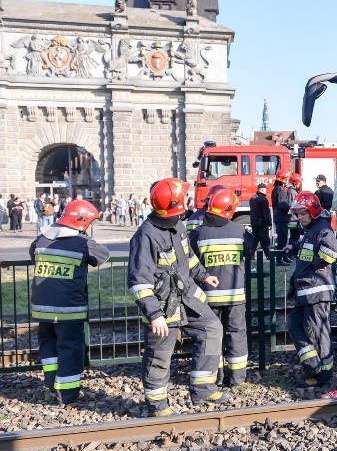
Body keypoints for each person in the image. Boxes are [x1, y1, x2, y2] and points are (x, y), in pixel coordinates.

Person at [128, 177, 230, 416]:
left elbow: (189, 258)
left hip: (188, 298)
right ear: (175, 204)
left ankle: (203, 388)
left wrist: (204, 276)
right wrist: (155, 315)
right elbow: (139, 281)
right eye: (182, 198)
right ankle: (157, 405)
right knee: (160, 353)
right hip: (164, 306)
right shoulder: (146, 236)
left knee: (212, 328)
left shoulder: (178, 225)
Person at [30, 200, 110, 404]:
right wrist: (84, 237)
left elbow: (32, 254)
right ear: (81, 221)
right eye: (89, 223)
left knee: (48, 343)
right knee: (71, 348)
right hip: (68, 309)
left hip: (41, 306)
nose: (90, 226)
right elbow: (103, 255)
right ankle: (67, 394)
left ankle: (51, 382)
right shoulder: (82, 242)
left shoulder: (41, 239)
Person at [188, 187, 252, 387]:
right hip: (235, 296)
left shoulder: (199, 233)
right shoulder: (240, 231)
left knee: (212, 336)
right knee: (237, 333)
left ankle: (215, 375)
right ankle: (237, 378)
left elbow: (191, 262)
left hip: (209, 296)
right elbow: (250, 250)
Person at [283, 191, 337, 387]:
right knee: (294, 324)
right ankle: (312, 364)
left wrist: (317, 263)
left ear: (313, 212)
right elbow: (308, 243)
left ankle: (323, 373)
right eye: (297, 214)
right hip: (307, 290)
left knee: (318, 332)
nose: (299, 218)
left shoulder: (323, 229)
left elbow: (332, 252)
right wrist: (294, 245)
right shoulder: (311, 230)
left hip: (317, 290)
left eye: (302, 214)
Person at [271, 170, 293, 265]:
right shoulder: (281, 190)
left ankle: (283, 256)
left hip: (279, 217)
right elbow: (282, 205)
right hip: (281, 217)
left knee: (282, 238)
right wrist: (291, 208)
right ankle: (279, 259)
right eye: (287, 178)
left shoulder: (276, 189)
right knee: (282, 239)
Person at [248, 183, 272, 260]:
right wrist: (269, 222)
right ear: (262, 189)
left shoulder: (253, 198)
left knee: (255, 238)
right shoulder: (263, 199)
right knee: (264, 239)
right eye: (265, 189)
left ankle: (251, 254)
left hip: (254, 221)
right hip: (261, 222)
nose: (266, 191)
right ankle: (268, 255)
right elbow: (265, 212)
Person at [284, 173, 303, 247]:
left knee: (295, 236)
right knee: (294, 236)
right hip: (293, 219)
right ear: (295, 182)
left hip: (295, 218)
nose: (299, 184)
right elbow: (292, 205)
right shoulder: (292, 192)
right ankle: (290, 253)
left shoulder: (293, 191)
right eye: (299, 182)